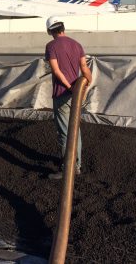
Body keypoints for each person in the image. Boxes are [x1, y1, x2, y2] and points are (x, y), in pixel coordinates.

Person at [45, 16, 92, 179]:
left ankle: (68, 168)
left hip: (62, 94)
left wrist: (70, 87)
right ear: (63, 28)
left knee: (65, 132)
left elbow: (57, 71)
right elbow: (85, 68)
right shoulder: (76, 44)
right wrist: (85, 85)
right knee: (75, 130)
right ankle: (76, 165)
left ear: (50, 31)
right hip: (76, 95)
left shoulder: (51, 46)